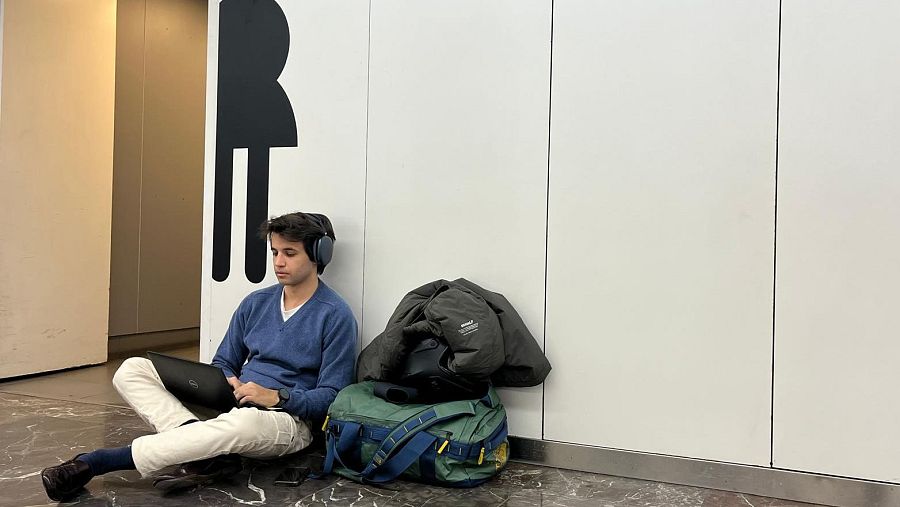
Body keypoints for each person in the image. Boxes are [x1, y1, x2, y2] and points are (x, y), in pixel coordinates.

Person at [41, 212, 358, 501]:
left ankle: (96, 462)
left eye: (290, 253)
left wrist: (278, 397)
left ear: (318, 255)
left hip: (288, 423)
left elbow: (331, 397)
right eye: (275, 252)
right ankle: (207, 453)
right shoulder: (255, 303)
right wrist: (226, 380)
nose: (278, 262)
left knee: (243, 423)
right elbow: (223, 361)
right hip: (235, 404)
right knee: (132, 369)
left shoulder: (335, 316)